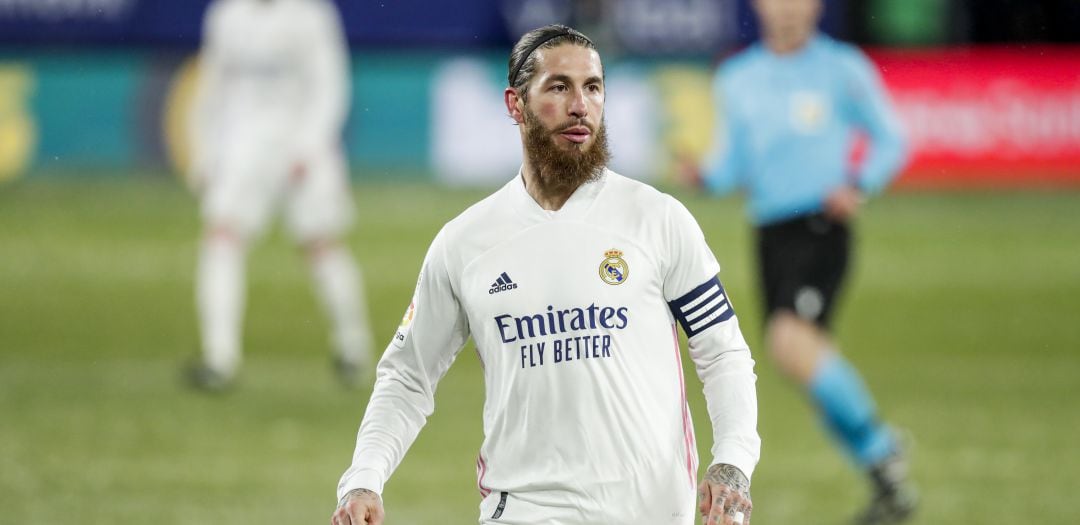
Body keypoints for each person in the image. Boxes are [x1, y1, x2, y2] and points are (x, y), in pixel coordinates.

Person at [333, 24, 760, 525]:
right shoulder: (466, 243)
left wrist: (733, 461)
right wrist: (364, 477)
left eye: (593, 87)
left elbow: (722, 350)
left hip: (648, 512)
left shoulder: (658, 220)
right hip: (520, 509)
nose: (581, 105)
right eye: (559, 87)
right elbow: (408, 375)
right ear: (515, 104)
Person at [691, 0, 915, 523]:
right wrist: (704, 176)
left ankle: (883, 449)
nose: (788, 10)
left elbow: (891, 139)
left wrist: (860, 182)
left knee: (790, 343)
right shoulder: (738, 77)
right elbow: (733, 164)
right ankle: (885, 483)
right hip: (769, 234)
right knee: (802, 354)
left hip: (821, 226)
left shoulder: (842, 69)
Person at [186, 0, 372, 390]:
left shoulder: (311, 16)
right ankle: (220, 358)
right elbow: (213, 87)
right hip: (243, 147)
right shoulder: (226, 16)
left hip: (299, 145)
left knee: (321, 243)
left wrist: (310, 146)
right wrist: (205, 152)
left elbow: (329, 86)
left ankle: (353, 347)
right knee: (222, 237)